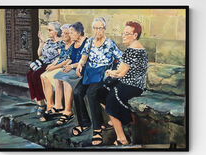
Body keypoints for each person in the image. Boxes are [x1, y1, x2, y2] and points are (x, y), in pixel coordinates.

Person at [71, 17, 122, 145]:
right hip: (90, 73)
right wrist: (80, 65)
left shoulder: (110, 43)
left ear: (104, 29)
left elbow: (121, 58)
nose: (97, 31)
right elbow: (83, 58)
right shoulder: (89, 42)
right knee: (77, 92)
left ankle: (97, 129)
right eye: (95, 28)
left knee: (91, 93)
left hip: (103, 74)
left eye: (100, 28)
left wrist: (116, 72)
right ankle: (84, 123)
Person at [99, 21, 148, 146]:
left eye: (127, 34)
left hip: (131, 86)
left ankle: (122, 138)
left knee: (111, 99)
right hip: (134, 84)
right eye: (123, 33)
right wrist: (113, 72)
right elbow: (121, 70)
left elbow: (120, 74)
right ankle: (116, 119)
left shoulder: (131, 50)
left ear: (135, 35)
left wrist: (109, 72)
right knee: (100, 91)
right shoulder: (137, 48)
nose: (123, 36)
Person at [51, 22, 87, 127]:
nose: (70, 35)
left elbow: (84, 61)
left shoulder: (86, 42)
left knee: (66, 79)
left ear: (79, 33)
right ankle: (58, 105)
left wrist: (71, 66)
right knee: (58, 76)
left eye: (72, 33)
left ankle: (68, 111)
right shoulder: (75, 43)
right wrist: (67, 65)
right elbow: (71, 58)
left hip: (81, 69)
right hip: (73, 67)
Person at [25, 22, 62, 116]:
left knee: (36, 75)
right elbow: (40, 54)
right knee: (30, 74)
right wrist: (41, 42)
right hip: (44, 63)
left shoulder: (61, 42)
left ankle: (43, 105)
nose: (48, 32)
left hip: (52, 64)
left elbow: (61, 57)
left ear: (56, 32)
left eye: (50, 30)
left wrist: (53, 65)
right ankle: (40, 102)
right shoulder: (49, 41)